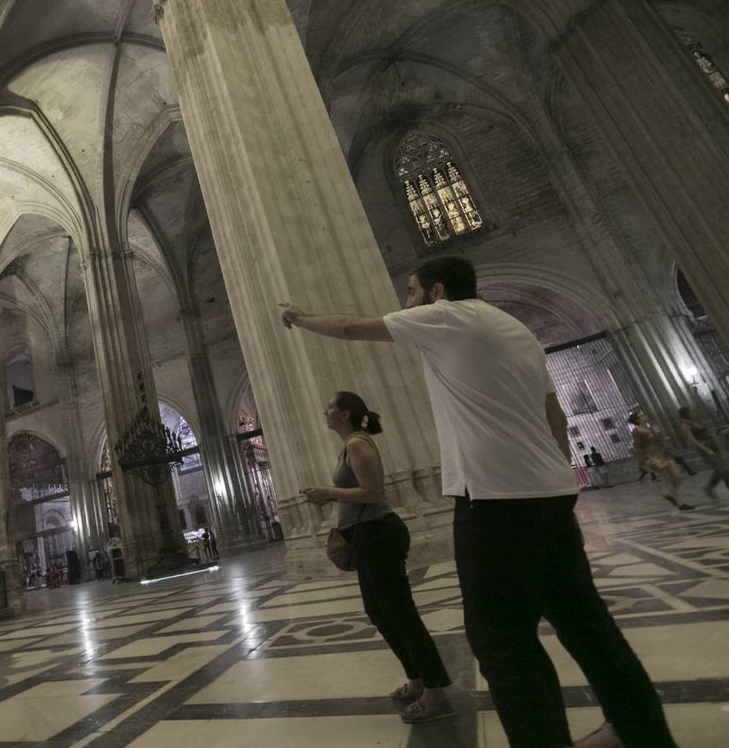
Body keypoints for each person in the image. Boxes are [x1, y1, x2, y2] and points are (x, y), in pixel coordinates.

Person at [281, 256, 675, 748]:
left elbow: (348, 327)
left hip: (494, 499)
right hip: (549, 493)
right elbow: (554, 419)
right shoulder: (516, 330)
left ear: (436, 292)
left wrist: (300, 317)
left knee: (502, 643)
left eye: (410, 293)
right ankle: (643, 734)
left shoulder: (446, 317)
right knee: (588, 626)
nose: (405, 303)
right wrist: (552, 478)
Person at [303, 391, 454, 723]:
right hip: (366, 536)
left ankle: (436, 692)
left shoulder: (358, 443)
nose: (323, 411)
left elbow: (373, 492)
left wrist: (328, 493)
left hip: (379, 534)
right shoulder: (349, 444)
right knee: (380, 613)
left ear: (344, 413)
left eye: (329, 407)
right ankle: (416, 680)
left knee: (401, 615)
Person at [629, 409, 692, 511]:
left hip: (664, 453)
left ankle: (670, 495)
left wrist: (664, 441)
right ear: (638, 420)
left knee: (678, 476)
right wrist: (644, 461)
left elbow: (661, 438)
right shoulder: (637, 431)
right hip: (653, 456)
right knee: (667, 479)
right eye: (642, 415)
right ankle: (680, 504)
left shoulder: (652, 427)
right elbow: (637, 447)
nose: (645, 416)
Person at [678, 405, 729, 498]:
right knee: (723, 470)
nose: (693, 412)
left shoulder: (695, 421)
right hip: (704, 447)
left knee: (721, 469)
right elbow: (693, 440)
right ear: (686, 413)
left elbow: (705, 433)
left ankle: (708, 487)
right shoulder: (685, 425)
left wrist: (714, 435)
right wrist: (706, 449)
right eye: (691, 411)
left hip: (712, 444)